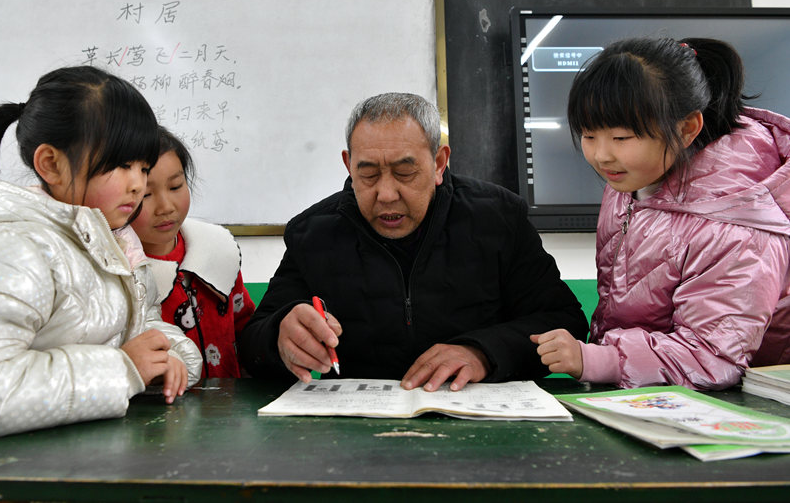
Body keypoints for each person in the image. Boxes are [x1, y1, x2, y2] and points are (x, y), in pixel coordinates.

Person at [0, 66, 202, 467]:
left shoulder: (111, 238)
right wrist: (123, 369)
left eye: (142, 168)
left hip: (74, 469)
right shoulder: (5, 244)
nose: (138, 185)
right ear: (52, 165)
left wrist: (170, 356)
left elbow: (139, 328)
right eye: (120, 165)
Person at [239, 92, 588, 391]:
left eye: (405, 173)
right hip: (357, 432)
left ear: (439, 163)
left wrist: (483, 352)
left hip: (480, 424)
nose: (386, 194)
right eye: (368, 174)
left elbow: (564, 321)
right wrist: (279, 335)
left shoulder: (497, 219)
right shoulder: (313, 233)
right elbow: (252, 342)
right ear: (348, 165)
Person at [531, 37, 790, 390]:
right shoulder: (638, 176)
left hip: (752, 407)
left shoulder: (736, 222)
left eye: (622, 138)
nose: (602, 155)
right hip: (654, 394)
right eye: (589, 135)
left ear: (686, 129)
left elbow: (711, 358)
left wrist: (598, 359)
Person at [131, 127, 255, 378]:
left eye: (176, 186)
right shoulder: (122, 273)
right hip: (164, 411)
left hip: (228, 408)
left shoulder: (218, 250)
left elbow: (247, 329)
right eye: (146, 194)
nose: (165, 207)